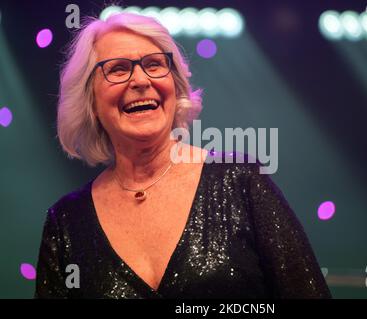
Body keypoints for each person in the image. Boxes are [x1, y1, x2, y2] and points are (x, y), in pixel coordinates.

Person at [35, 12, 331, 299]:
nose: (140, 80)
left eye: (154, 64)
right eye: (118, 69)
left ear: (175, 88)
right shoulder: (66, 222)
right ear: (90, 100)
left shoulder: (239, 180)